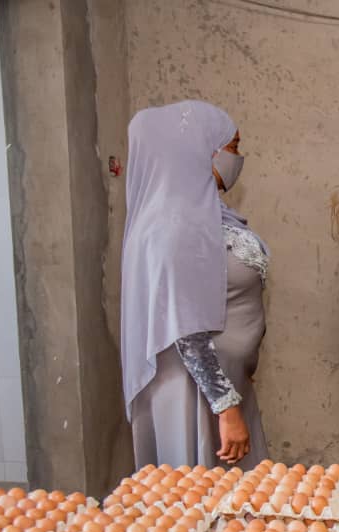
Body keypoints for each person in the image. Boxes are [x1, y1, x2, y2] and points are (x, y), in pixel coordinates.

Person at [122, 100, 270, 470]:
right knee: (203, 492)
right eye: (232, 147)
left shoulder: (203, 214)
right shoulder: (173, 225)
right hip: (199, 392)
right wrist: (226, 406)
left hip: (225, 384)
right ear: (197, 150)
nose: (237, 158)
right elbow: (185, 326)